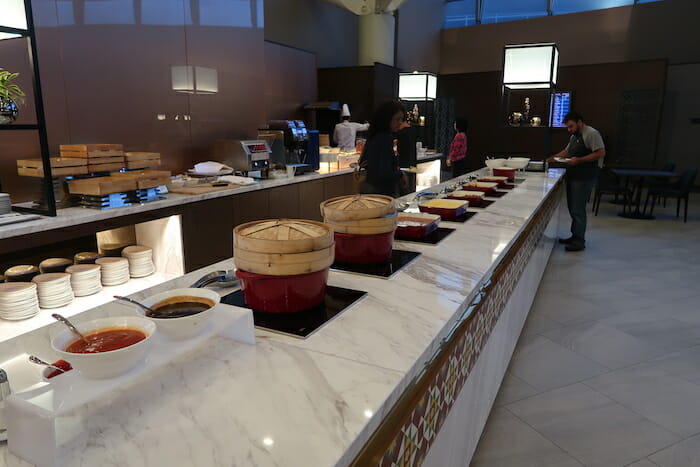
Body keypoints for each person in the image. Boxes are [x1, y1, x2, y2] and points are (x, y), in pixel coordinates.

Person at [548, 111, 606, 252]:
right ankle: (575, 236)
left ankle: (579, 241)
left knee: (578, 209)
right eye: (568, 127)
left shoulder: (591, 133)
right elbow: (566, 152)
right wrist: (551, 159)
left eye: (571, 126)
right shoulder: (575, 136)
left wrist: (579, 160)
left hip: (584, 176)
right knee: (573, 208)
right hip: (574, 175)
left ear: (580, 122)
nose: (569, 130)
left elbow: (600, 152)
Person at [358, 100, 407, 197]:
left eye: (401, 119)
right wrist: (400, 174)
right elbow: (385, 173)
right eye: (397, 119)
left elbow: (363, 161)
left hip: (368, 190)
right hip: (382, 194)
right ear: (387, 119)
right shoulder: (385, 138)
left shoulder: (374, 135)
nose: (400, 123)